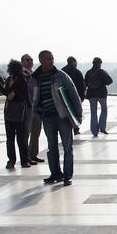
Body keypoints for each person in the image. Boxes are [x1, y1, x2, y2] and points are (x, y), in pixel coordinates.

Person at [29, 51, 83, 186]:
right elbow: (32, 97)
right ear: (41, 60)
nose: (52, 60)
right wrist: (38, 112)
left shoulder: (61, 76)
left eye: (52, 58)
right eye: (49, 59)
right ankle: (55, 173)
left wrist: (78, 113)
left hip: (63, 116)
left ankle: (67, 175)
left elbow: (73, 93)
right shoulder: (35, 78)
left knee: (67, 147)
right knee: (52, 147)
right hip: (47, 117)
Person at [0, 60, 31, 170]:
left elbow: (26, 95)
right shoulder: (9, 79)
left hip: (20, 111)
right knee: (10, 138)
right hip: (9, 111)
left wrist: (15, 94)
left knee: (21, 137)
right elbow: (6, 93)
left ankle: (24, 160)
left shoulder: (23, 79)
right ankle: (11, 160)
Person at [19, 53, 44, 164]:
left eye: (31, 59)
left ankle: (33, 154)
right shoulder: (22, 74)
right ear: (22, 62)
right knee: (26, 133)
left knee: (36, 132)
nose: (29, 61)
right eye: (27, 60)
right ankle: (26, 157)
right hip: (28, 107)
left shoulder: (34, 73)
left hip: (36, 106)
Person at [84, 57, 113, 135]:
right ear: (100, 63)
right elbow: (110, 81)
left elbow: (85, 83)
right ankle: (102, 127)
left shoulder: (88, 72)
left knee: (93, 113)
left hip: (91, 94)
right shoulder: (102, 72)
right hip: (101, 94)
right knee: (104, 110)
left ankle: (94, 131)